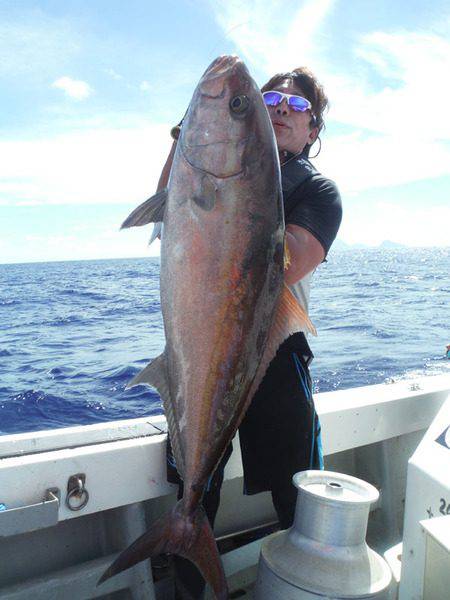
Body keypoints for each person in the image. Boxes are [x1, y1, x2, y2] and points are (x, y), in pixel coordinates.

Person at [161, 67, 342, 599]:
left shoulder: (318, 191)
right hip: (201, 350)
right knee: (196, 490)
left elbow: (279, 267)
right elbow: (168, 199)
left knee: (298, 492)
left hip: (276, 356)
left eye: (300, 105)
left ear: (314, 131)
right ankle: (191, 579)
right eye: (270, 99)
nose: (283, 107)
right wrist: (193, 128)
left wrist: (236, 192)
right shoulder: (216, 164)